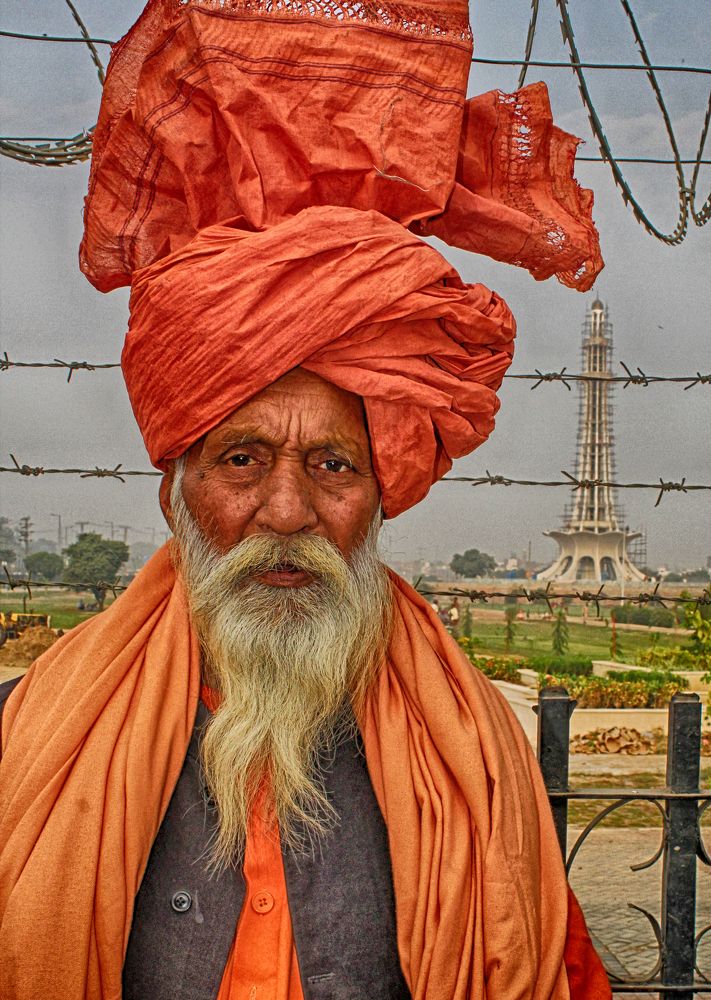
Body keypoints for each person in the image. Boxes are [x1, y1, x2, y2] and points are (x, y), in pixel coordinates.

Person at [0, 1, 609, 998]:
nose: (286, 511)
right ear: (175, 487)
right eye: (240, 460)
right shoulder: (29, 742)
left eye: (333, 465)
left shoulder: (470, 759)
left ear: (383, 489)